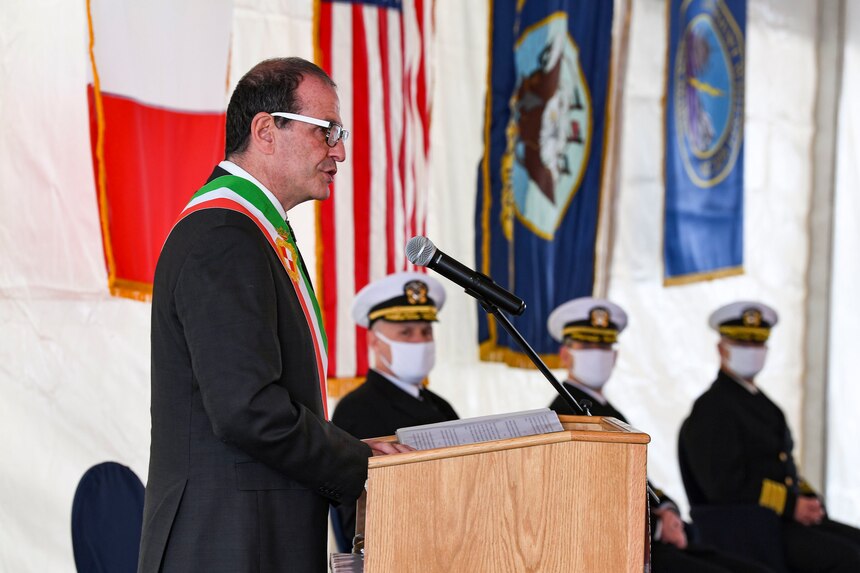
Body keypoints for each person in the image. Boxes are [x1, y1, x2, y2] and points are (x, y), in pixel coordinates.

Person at [138, 57, 409, 573]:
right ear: (266, 130)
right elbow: (248, 410)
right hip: (226, 544)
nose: (341, 151)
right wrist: (360, 464)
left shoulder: (250, 231)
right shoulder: (224, 235)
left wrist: (350, 449)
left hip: (251, 538)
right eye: (326, 131)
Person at [547, 297, 769, 573]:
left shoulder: (603, 410)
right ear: (565, 354)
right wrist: (658, 524)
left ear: (615, 356)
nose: (598, 353)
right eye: (588, 345)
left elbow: (639, 480)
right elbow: (589, 501)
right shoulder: (564, 416)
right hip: (622, 551)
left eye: (604, 345)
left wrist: (668, 509)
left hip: (647, 540)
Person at [679, 301, 860, 573]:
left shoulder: (764, 405)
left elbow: (782, 466)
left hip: (776, 520)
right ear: (721, 348)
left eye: (757, 343)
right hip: (748, 529)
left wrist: (807, 499)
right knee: (846, 559)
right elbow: (724, 486)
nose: (751, 351)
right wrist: (790, 504)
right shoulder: (712, 408)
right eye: (742, 343)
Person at [331, 271, 459, 544]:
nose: (420, 342)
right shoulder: (355, 409)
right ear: (375, 341)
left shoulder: (441, 406)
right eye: (406, 332)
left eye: (426, 332)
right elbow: (355, 516)